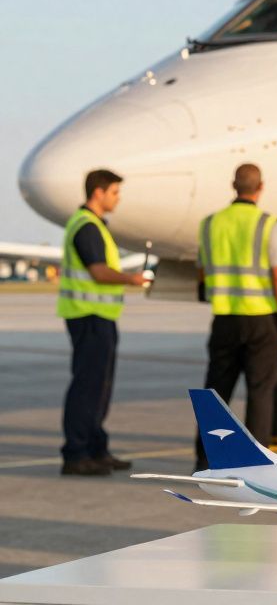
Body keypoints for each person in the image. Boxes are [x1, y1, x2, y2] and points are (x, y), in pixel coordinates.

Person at [194, 164, 277, 469]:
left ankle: (204, 458)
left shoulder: (210, 223)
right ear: (260, 187)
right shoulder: (267, 224)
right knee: (260, 393)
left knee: (216, 391)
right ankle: (256, 464)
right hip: (261, 319)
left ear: (233, 185)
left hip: (224, 317)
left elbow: (202, 268)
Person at [57, 169, 149, 475]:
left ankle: (97, 449)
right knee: (88, 386)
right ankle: (76, 454)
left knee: (100, 387)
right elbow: (98, 271)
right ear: (98, 192)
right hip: (89, 316)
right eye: (114, 192)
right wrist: (130, 279)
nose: (118, 198)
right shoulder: (86, 227)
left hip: (98, 316)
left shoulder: (92, 225)